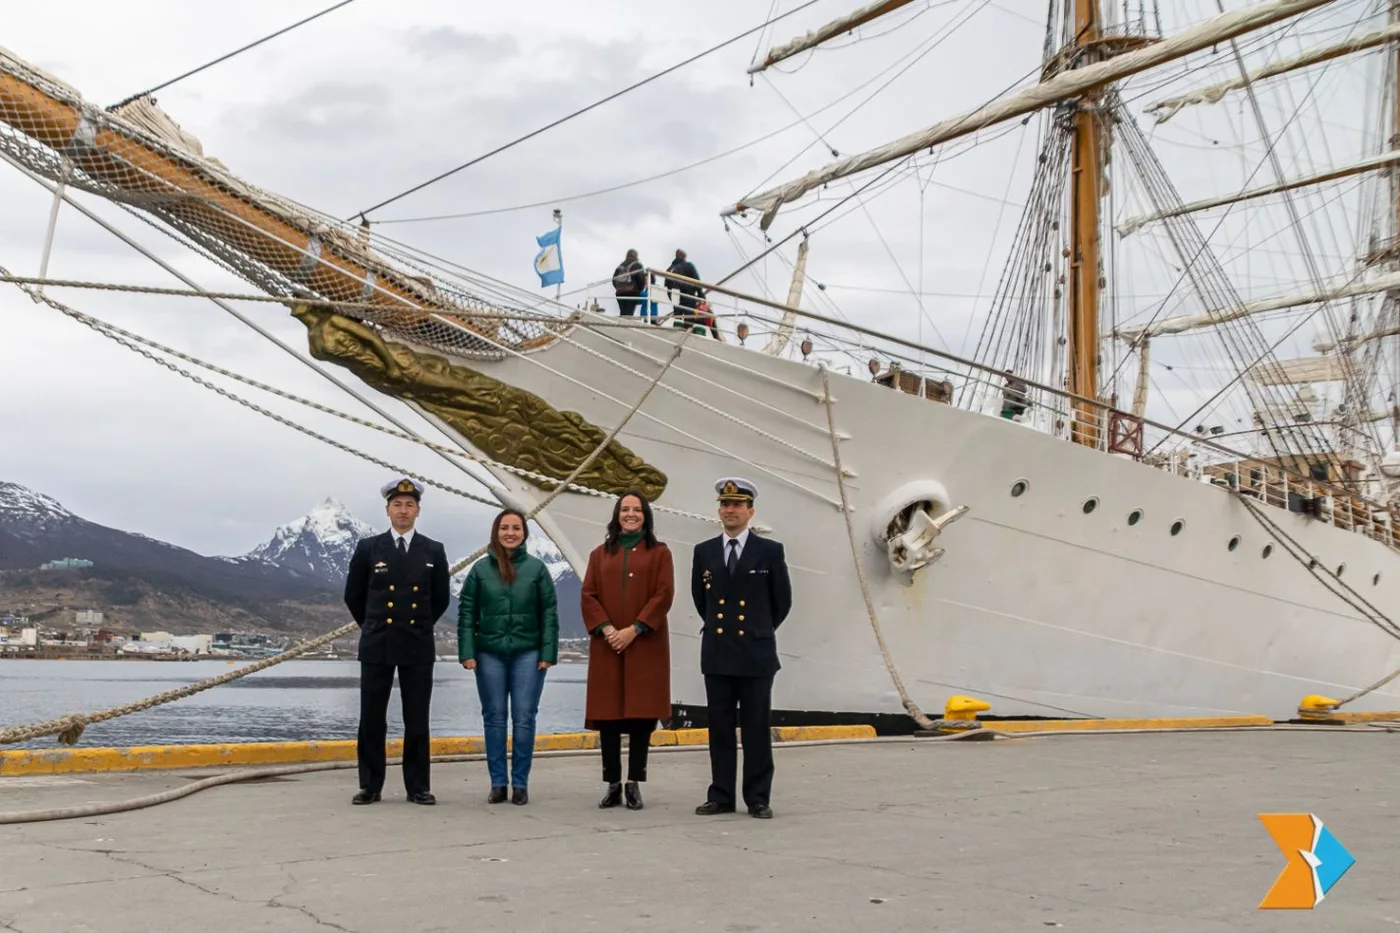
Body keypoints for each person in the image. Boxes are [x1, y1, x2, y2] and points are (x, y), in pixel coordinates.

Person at [343, 477, 451, 806]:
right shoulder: (368, 548)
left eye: (409, 505)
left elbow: (441, 599)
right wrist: (374, 625)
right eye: (397, 505)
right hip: (378, 643)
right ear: (387, 510)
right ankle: (370, 785)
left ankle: (418, 786)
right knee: (372, 718)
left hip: (417, 644)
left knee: (417, 718)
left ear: (418, 511)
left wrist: (416, 625)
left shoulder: (433, 550)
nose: (403, 511)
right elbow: (354, 596)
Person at [690, 478, 792, 819]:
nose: (730, 510)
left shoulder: (769, 551)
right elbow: (700, 599)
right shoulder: (703, 551)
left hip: (755, 653)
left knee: (756, 729)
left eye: (737, 504)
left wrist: (758, 629)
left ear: (750, 511)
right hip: (718, 652)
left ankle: (758, 797)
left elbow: (782, 602)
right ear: (719, 510)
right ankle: (720, 795)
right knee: (719, 729)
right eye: (725, 504)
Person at [579, 490, 675, 811]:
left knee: (639, 717)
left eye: (636, 509)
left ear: (645, 515)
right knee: (608, 717)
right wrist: (608, 629)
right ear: (617, 515)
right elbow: (588, 594)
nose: (630, 514)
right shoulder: (599, 554)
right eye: (625, 509)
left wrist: (634, 629)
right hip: (608, 645)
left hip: (644, 643)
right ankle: (612, 783)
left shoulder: (660, 553)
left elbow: (663, 595)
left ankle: (634, 782)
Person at [457, 509, 560, 806]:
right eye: (504, 527)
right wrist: (467, 652)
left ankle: (521, 784)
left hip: (529, 652)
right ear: (496, 532)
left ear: (524, 533)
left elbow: (549, 614)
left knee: (525, 717)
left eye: (516, 528)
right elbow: (466, 613)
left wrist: (547, 653)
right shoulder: (479, 571)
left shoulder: (537, 569)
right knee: (494, 718)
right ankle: (498, 783)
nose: (510, 532)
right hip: (489, 652)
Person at [664, 249, 704, 329]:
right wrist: (701, 295)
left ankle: (677, 329)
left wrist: (671, 297)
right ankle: (687, 330)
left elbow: (667, 287)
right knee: (689, 318)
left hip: (675, 295)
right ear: (684, 257)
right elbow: (697, 281)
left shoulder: (669, 270)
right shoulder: (689, 265)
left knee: (677, 317)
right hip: (688, 295)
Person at [612, 249, 646, 318]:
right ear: (636, 256)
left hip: (620, 292)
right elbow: (641, 279)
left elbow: (614, 280)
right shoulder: (637, 265)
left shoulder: (620, 266)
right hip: (632, 292)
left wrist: (619, 288)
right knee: (629, 314)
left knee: (623, 312)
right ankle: (625, 326)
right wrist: (639, 290)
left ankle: (621, 325)